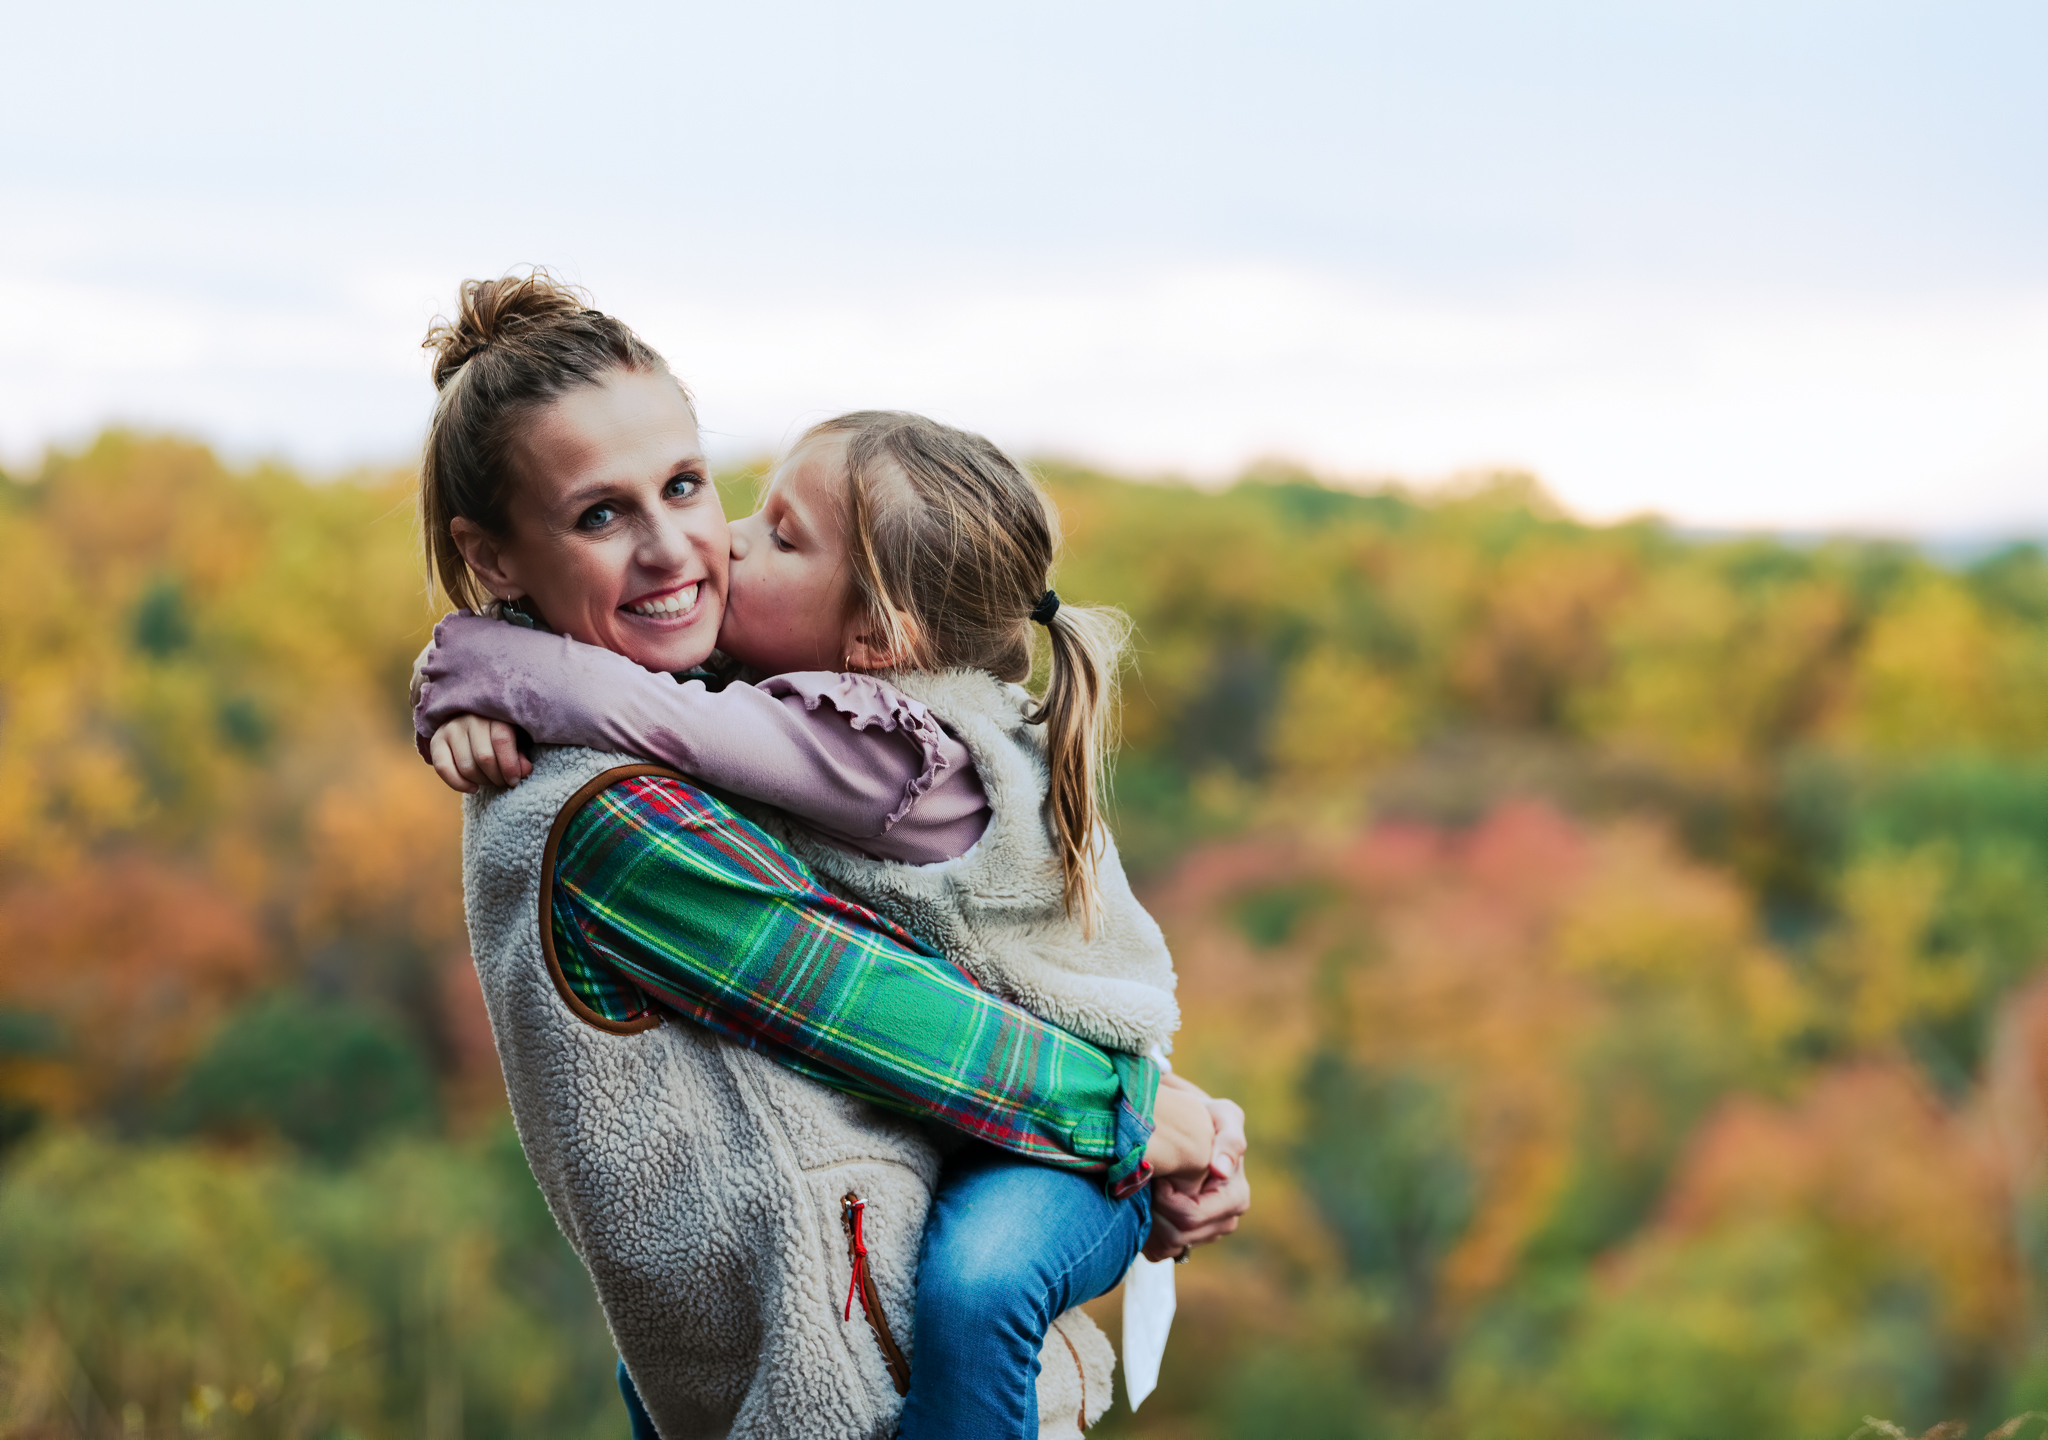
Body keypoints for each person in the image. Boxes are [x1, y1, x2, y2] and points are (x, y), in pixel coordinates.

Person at [413, 272, 1249, 1440]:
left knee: (982, 1283)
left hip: (889, 1306)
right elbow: (878, 1006)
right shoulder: (604, 814)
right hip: (828, 1359)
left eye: (689, 487)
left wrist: (474, 668)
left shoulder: (811, 728)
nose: (681, 550)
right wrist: (1136, 1112)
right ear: (494, 555)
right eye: (600, 515)